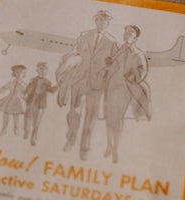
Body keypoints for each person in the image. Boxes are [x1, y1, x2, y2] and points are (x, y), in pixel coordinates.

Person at [55, 9, 117, 159]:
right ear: (95, 20)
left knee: (91, 117)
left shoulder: (112, 41)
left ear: (109, 23)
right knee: (74, 112)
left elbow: (114, 63)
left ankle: (85, 149)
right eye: (100, 20)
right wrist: (68, 63)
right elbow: (74, 52)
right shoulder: (84, 36)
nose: (102, 23)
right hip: (79, 80)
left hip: (96, 84)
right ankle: (71, 138)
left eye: (106, 21)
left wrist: (105, 73)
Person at [102, 24, 151, 163]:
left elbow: (143, 71)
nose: (126, 34)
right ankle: (109, 146)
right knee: (109, 118)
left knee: (116, 119)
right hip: (111, 87)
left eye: (130, 33)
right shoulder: (119, 50)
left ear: (135, 38)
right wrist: (108, 63)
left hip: (125, 90)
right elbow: (111, 65)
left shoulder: (139, 54)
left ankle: (115, 149)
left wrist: (132, 74)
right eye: (126, 32)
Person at [23, 61, 56, 145]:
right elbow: (27, 89)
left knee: (37, 122)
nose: (43, 70)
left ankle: (33, 138)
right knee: (28, 118)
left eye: (45, 69)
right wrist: (25, 94)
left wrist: (58, 85)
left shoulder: (47, 81)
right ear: (37, 69)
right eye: (41, 68)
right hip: (31, 101)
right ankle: (26, 131)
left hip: (41, 103)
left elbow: (52, 90)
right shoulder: (33, 80)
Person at [0, 64, 28, 135]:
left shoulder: (23, 83)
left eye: (20, 72)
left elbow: (26, 91)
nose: (18, 74)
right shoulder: (11, 82)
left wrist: (25, 98)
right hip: (9, 99)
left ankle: (16, 130)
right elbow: (4, 88)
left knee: (16, 117)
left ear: (24, 74)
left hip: (18, 100)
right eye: (16, 72)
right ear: (14, 73)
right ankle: (3, 130)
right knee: (5, 115)